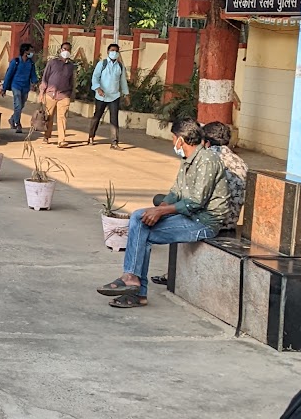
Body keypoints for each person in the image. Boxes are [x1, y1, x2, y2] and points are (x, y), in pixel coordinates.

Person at [97, 119, 231, 309]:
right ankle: (132, 279)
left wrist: (160, 210)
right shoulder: (187, 160)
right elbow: (175, 193)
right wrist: (157, 211)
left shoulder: (207, 160)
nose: (172, 142)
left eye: (173, 138)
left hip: (204, 222)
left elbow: (195, 202)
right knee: (138, 216)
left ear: (180, 140)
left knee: (143, 233)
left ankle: (135, 287)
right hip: (190, 216)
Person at [202, 120, 247, 230]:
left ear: (206, 142)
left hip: (209, 222)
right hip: (230, 223)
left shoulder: (208, 159)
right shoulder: (240, 162)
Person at [89, 41, 129, 148]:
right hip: (101, 96)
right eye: (112, 50)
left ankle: (114, 142)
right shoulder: (102, 64)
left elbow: (123, 81)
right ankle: (91, 136)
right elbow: (95, 77)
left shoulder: (120, 66)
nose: (114, 53)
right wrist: (98, 88)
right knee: (97, 116)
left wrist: (126, 94)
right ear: (107, 52)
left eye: (116, 51)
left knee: (114, 119)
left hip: (114, 96)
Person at [39, 42, 76, 147]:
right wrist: (42, 92)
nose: (66, 51)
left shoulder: (70, 66)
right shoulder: (52, 63)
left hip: (64, 95)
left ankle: (61, 140)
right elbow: (45, 78)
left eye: (68, 50)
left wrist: (71, 94)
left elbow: (72, 81)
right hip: (50, 94)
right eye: (64, 49)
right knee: (49, 116)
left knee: (62, 117)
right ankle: (46, 136)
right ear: (60, 50)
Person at [2, 42, 38, 134]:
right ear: (25, 51)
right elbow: (8, 75)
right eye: (30, 51)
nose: (32, 52)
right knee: (17, 105)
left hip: (25, 87)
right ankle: (18, 124)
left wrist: (34, 83)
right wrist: (4, 88)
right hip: (16, 86)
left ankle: (12, 119)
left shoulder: (31, 63)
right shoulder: (16, 62)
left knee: (21, 106)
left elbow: (33, 75)